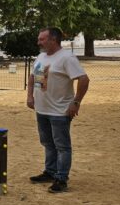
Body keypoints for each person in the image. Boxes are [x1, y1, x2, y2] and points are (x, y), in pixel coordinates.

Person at [27, 27, 90, 193]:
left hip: (60, 111)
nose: (38, 42)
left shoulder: (67, 58)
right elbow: (33, 77)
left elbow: (84, 79)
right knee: (48, 143)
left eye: (42, 39)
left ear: (53, 40)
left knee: (62, 146)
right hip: (42, 109)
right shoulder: (41, 56)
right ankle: (50, 172)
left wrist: (76, 102)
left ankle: (61, 179)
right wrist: (30, 96)